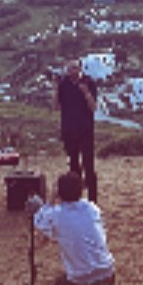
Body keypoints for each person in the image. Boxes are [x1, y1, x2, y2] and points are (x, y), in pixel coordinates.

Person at [54, 59, 99, 203]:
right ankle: (75, 197)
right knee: (73, 165)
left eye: (74, 68)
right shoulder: (63, 84)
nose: (71, 71)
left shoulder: (89, 82)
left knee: (88, 165)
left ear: (80, 68)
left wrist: (86, 93)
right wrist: (55, 89)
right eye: (69, 68)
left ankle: (93, 200)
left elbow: (93, 107)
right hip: (69, 130)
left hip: (85, 130)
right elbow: (55, 106)